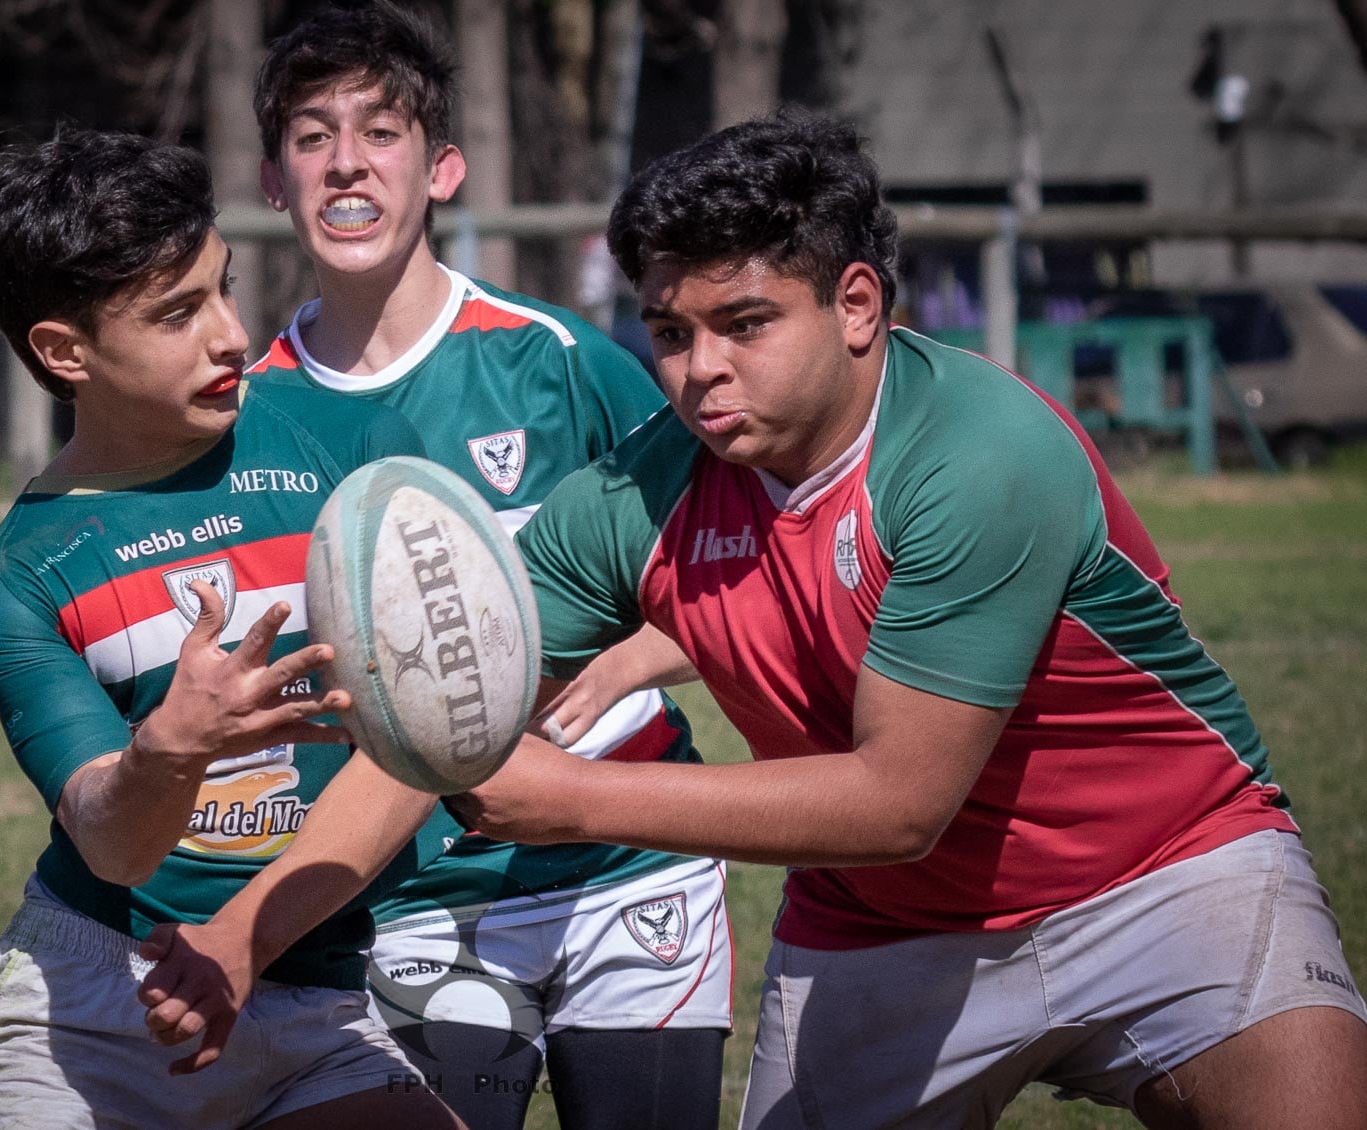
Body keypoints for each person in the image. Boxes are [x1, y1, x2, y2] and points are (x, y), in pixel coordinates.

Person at [445, 108, 1367, 1128]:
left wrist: (573, 795)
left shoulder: (977, 452)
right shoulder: (634, 493)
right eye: (670, 331)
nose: (697, 367)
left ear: (855, 304)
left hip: (1165, 869)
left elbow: (899, 801)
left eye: (744, 323)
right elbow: (454, 699)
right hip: (873, 922)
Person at [142, 6, 731, 1129]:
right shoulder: (254, 420)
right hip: (414, 900)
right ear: (275, 179)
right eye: (313, 137)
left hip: (633, 874)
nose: (347, 160)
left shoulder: (554, 359)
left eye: (382, 130)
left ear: (444, 167)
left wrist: (620, 666)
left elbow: (735, 553)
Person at [0, 126, 464, 1130]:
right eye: (178, 312)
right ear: (66, 351)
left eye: (223, 287)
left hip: (313, 987)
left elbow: (419, 743)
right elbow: (112, 843)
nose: (231, 334)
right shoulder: (15, 579)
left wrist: (246, 932)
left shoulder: (356, 447)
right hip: (96, 1011)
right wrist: (166, 749)